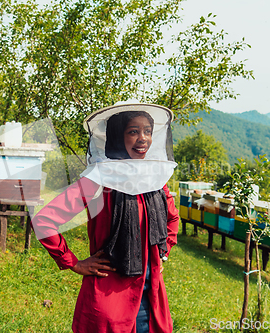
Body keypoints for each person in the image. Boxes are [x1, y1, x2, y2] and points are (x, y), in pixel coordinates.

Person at [32, 104, 180, 333]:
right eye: (133, 131)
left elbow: (172, 218)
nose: (143, 138)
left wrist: (163, 253)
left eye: (148, 131)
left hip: (152, 300)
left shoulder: (154, 178)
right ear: (118, 137)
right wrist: (73, 262)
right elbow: (44, 220)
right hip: (111, 302)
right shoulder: (99, 179)